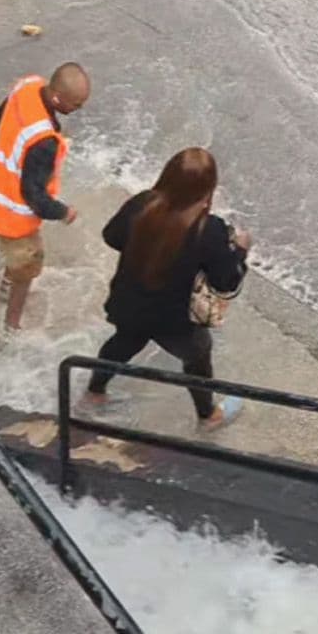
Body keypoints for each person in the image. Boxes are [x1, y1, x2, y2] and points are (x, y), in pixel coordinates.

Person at [77, 147, 249, 431]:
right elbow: (226, 282)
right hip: (174, 318)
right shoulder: (209, 229)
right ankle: (208, 415)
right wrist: (240, 251)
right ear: (208, 188)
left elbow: (112, 236)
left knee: (123, 343)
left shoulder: (141, 204)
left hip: (129, 302)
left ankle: (95, 392)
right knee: (197, 357)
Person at [0, 62, 90, 330]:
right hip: (14, 218)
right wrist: (63, 212)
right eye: (75, 104)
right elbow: (34, 197)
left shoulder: (28, 86)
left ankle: (6, 281)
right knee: (27, 266)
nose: (78, 109)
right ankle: (11, 326)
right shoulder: (44, 142)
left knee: (15, 260)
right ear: (56, 98)